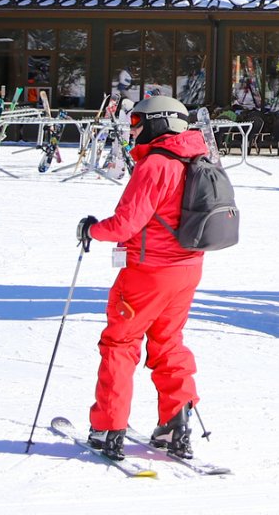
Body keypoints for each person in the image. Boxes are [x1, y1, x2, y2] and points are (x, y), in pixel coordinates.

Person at [75, 94, 210, 461]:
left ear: (159, 122)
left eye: (139, 122)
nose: (134, 129)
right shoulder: (195, 158)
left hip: (149, 271)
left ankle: (108, 427)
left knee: (120, 343)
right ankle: (176, 423)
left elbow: (126, 224)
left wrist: (93, 230)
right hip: (187, 269)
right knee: (168, 344)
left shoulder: (156, 164)